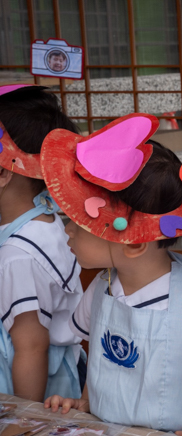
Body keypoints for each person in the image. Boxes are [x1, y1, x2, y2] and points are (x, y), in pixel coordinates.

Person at [42, 113, 182, 436]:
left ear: (133, 244)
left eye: (81, 225)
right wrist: (86, 402)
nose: (68, 230)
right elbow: (100, 361)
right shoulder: (102, 288)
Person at [0, 84, 84, 402]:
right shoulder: (46, 221)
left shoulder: (18, 255)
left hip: (32, 391)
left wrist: (24, 428)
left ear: (4, 172)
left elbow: (31, 347)